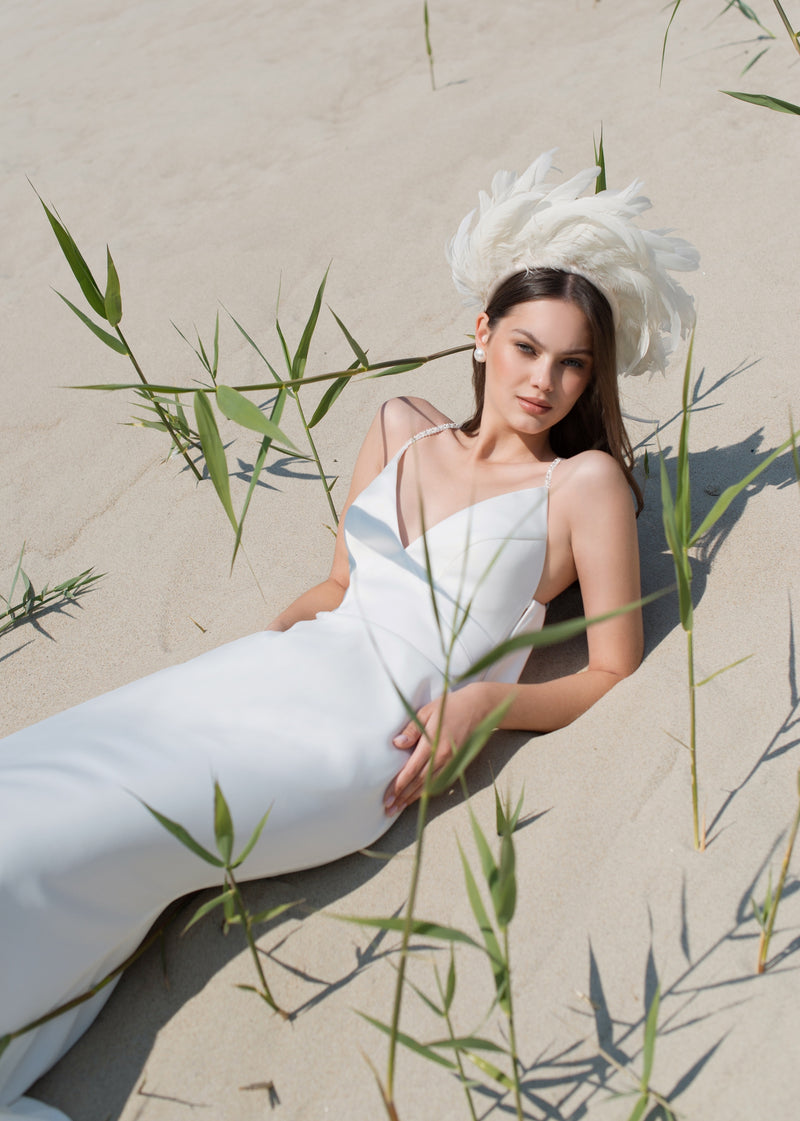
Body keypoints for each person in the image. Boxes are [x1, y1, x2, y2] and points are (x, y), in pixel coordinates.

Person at [0, 151, 697, 1121]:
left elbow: (612, 665)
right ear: (481, 331)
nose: (544, 378)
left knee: (75, 839)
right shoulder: (397, 423)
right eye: (527, 346)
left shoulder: (581, 487)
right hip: (257, 678)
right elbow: (338, 583)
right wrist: (246, 652)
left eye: (572, 360)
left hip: (350, 735)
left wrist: (488, 700)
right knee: (29, 781)